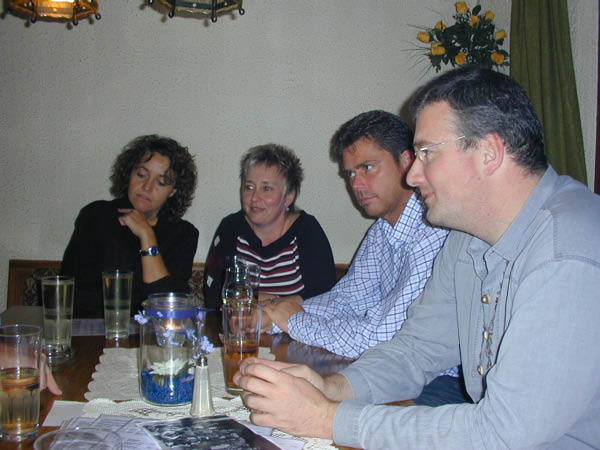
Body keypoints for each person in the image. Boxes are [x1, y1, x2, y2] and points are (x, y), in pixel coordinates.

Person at [234, 66, 600, 449]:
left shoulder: (567, 252)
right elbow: (416, 350)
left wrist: (327, 418)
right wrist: (332, 387)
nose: (412, 176)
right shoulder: (467, 239)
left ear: (488, 153)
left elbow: (501, 431)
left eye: (427, 153)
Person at [262, 111, 464, 406]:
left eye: (367, 168)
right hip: (394, 372)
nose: (356, 185)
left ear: (406, 161)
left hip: (443, 385)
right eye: (350, 174)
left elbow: (383, 337)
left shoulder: (434, 230)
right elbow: (346, 300)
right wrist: (275, 314)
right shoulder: (382, 231)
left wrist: (295, 321)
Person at [61, 135, 199, 318]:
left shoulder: (183, 234)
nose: (147, 187)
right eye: (141, 175)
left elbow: (167, 308)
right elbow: (71, 294)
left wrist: (146, 235)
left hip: (154, 333)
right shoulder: (96, 217)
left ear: (173, 191)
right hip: (94, 330)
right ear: (129, 174)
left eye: (161, 182)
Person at [203, 144, 336, 311]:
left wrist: (253, 300)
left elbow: (324, 297)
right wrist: (279, 302)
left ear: (288, 197)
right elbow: (214, 295)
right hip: (240, 327)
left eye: (266, 188)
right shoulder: (230, 228)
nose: (254, 197)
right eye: (249, 187)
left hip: (294, 327)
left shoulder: (307, 230)